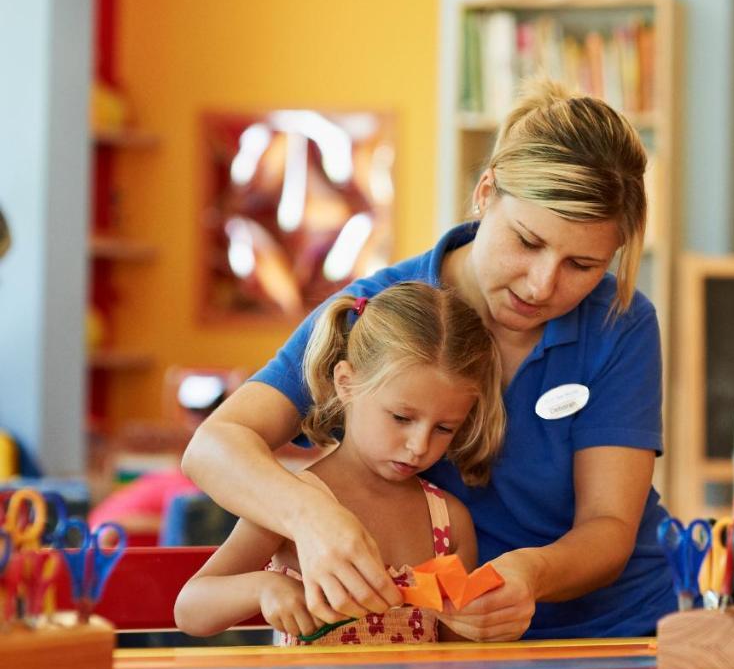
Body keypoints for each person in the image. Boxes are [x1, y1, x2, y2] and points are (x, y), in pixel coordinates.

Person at [181, 78, 675, 640]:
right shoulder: (381, 309)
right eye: (528, 242)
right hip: (458, 648)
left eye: (582, 266)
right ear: (486, 193)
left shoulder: (621, 322)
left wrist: (531, 573)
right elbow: (215, 446)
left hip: (621, 629)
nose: (542, 286)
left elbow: (608, 529)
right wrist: (311, 516)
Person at [176, 283, 503, 643]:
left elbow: (455, 650)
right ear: (346, 384)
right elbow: (190, 609)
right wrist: (266, 588)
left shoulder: (449, 521)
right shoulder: (289, 502)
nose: (419, 446)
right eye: (400, 417)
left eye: (444, 428)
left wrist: (475, 621)